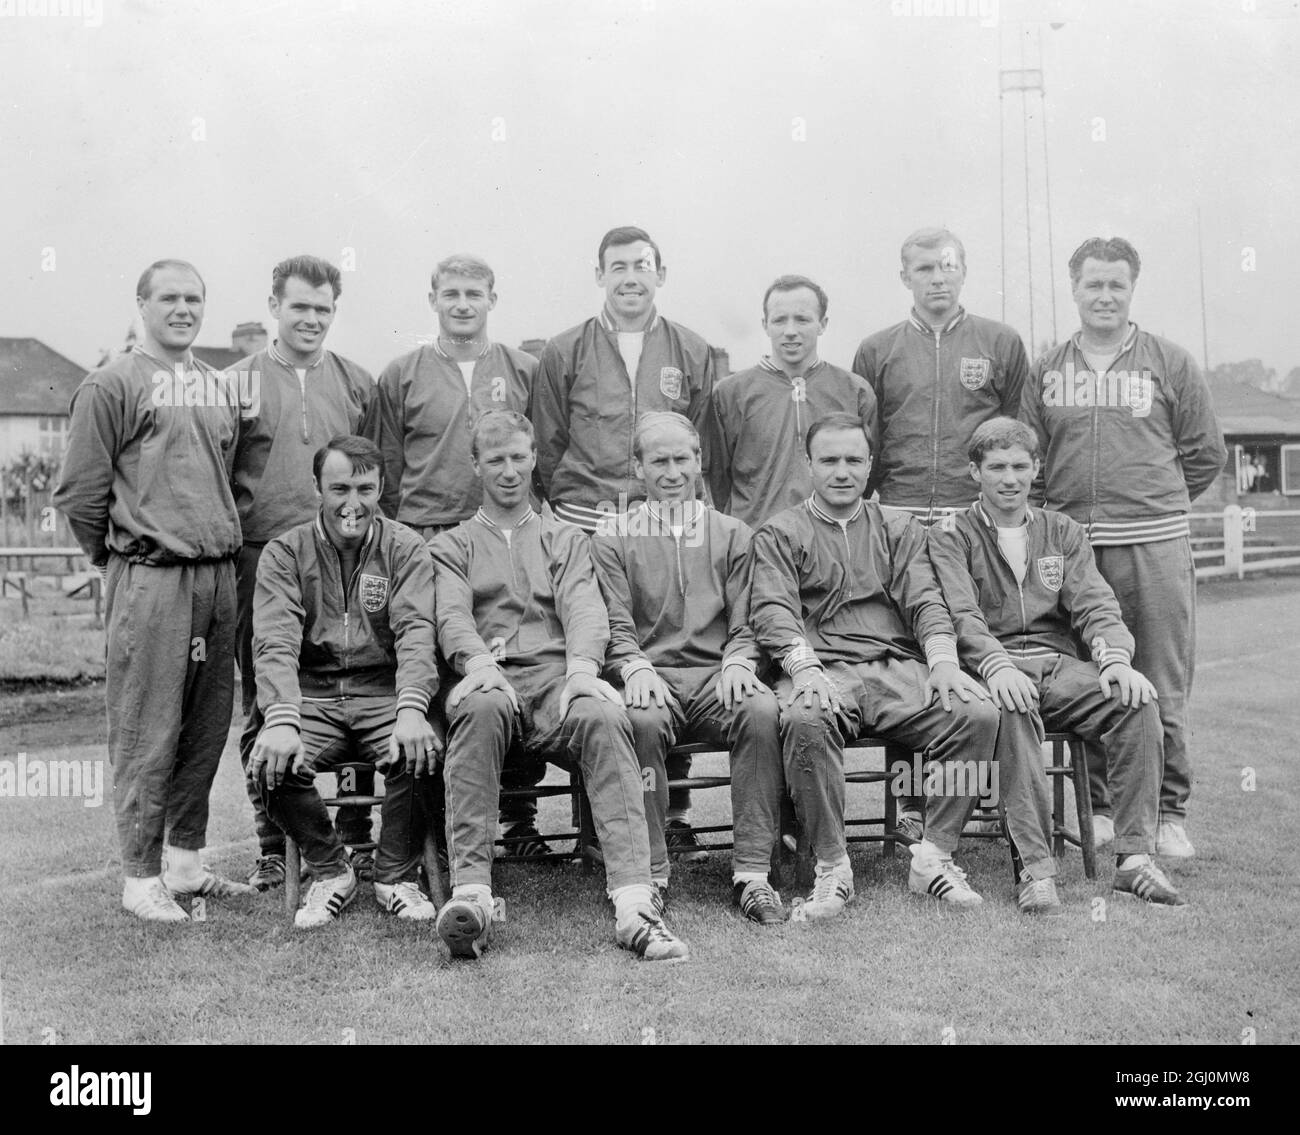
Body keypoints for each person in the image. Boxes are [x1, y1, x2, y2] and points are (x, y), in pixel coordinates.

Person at [429, 410, 689, 961]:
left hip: (556, 679)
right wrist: (476, 664)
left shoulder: (565, 537)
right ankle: (472, 898)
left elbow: (584, 606)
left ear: (534, 459)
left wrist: (581, 671)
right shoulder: (451, 545)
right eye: (495, 460)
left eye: (518, 457)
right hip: (492, 677)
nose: (508, 471)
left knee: (603, 714)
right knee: (478, 709)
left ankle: (634, 903)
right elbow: (452, 616)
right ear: (476, 465)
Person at [54, 259, 253, 922]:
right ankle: (139, 876)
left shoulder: (215, 385)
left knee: (204, 722)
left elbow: (216, 478)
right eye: (168, 297)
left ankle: (186, 863)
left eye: (194, 298)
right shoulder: (113, 382)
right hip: (151, 577)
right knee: (148, 725)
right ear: (142, 303)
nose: (183, 308)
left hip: (215, 575)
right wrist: (120, 561)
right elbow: (80, 494)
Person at [927, 417, 1186, 912]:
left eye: (1020, 466)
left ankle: (1134, 860)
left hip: (1058, 666)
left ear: (1036, 469)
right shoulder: (951, 534)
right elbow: (962, 614)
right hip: (993, 670)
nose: (1009, 478)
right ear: (974, 471)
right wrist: (997, 668)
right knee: (1013, 710)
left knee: (1136, 700)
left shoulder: (1061, 530)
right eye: (997, 467)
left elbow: (1095, 603)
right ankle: (1036, 870)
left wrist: (1114, 659)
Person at [1021, 237, 1227, 859]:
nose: (1104, 295)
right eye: (1093, 284)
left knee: (1159, 678)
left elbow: (1205, 454)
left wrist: (1151, 506)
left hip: (1153, 546)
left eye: (1116, 284)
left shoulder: (1169, 361)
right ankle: (1102, 808)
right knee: (1086, 675)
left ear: (1132, 289)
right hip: (1074, 551)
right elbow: (1028, 457)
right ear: (1074, 289)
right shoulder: (1048, 370)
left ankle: (1168, 812)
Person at [747, 412, 998, 918]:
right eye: (830, 460)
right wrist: (803, 668)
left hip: (894, 667)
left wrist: (945, 662)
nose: (842, 471)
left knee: (978, 713)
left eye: (854, 460)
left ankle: (934, 855)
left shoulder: (898, 527)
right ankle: (832, 868)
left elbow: (926, 598)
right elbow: (771, 610)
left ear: (870, 465)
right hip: (823, 669)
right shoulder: (780, 531)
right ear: (808, 465)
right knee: (804, 717)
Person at [531, 226, 718, 845]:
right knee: (595, 655)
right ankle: (598, 818)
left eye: (642, 265)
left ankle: (677, 809)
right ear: (600, 275)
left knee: (666, 644)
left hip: (662, 522)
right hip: (587, 523)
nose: (630, 276)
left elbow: (702, 449)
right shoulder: (564, 350)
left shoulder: (693, 349)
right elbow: (548, 443)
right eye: (618, 266)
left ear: (660, 274)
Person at [852, 228, 1029, 840]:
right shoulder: (877, 350)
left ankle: (973, 791)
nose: (937, 277)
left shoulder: (1000, 342)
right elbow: (863, 444)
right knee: (908, 649)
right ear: (905, 277)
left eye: (948, 266)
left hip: (966, 518)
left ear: (964, 271)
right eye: (924, 268)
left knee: (974, 638)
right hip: (899, 514)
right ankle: (907, 798)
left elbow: (1020, 436)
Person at [374, 254, 547, 855]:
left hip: (504, 536)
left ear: (493, 298)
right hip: (426, 537)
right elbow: (388, 470)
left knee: (519, 660)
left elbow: (536, 458)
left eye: (475, 292)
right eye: (451, 292)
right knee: (440, 669)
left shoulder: (525, 367)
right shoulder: (403, 372)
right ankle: (442, 829)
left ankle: (518, 820)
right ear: (433, 299)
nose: (463, 303)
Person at [591, 411, 786, 924]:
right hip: (653, 676)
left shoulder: (733, 533)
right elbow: (614, 621)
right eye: (659, 461)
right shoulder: (614, 536)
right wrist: (632, 667)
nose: (672, 472)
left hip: (716, 676)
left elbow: (748, 614)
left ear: (700, 462)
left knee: (762, 710)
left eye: (683, 459)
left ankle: (753, 873)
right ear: (638, 467)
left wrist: (741, 659)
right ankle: (652, 873)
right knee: (641, 721)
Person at [231, 254, 379, 891]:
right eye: (300, 307)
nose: (312, 319)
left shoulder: (355, 380)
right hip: (261, 555)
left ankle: (355, 837)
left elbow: (369, 472)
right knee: (266, 694)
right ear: (274, 307)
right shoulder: (235, 382)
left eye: (323, 309)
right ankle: (273, 841)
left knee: (360, 676)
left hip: (342, 555)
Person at [249, 435, 441, 928]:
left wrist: (413, 708)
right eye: (339, 489)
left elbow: (418, 632)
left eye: (365, 489)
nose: (352, 505)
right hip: (313, 693)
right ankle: (331, 870)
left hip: (383, 691)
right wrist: (282, 719)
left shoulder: (406, 548)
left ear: (381, 489)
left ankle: (395, 873)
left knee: (424, 744)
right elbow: (275, 641)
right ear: (317, 487)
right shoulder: (284, 553)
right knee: (265, 751)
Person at [709, 274, 878, 527]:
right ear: (765, 324)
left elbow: (866, 474)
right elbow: (718, 478)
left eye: (802, 319)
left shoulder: (855, 391)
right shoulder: (730, 393)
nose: (790, 331)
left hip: (830, 540)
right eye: (779, 320)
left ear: (822, 324)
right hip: (757, 540)